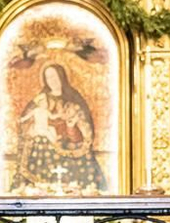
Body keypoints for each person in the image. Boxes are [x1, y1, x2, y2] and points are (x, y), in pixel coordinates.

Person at [11, 63, 108, 194]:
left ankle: (80, 190)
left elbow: (83, 128)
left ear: (61, 77)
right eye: (48, 77)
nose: (52, 80)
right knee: (40, 143)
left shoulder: (73, 100)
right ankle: (39, 188)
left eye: (54, 76)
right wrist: (32, 129)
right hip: (44, 144)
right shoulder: (40, 100)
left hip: (69, 144)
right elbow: (27, 121)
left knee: (83, 156)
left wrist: (70, 128)